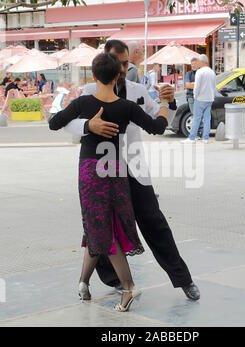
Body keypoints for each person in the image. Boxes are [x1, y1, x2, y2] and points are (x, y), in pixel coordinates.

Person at [63, 40, 200, 301]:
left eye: (127, 62)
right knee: (99, 224)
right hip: (102, 169)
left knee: (155, 223)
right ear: (107, 61)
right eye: (119, 62)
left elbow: (156, 121)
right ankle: (113, 279)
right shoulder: (89, 90)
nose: (124, 68)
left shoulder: (138, 89)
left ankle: (183, 279)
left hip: (135, 168)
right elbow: (65, 121)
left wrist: (168, 102)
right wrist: (88, 126)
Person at [49, 52, 170, 312]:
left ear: (93, 76)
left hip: (91, 174)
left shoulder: (82, 103)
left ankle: (128, 288)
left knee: (102, 228)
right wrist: (164, 106)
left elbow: (54, 123)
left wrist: (85, 125)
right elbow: (157, 127)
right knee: (100, 226)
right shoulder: (126, 107)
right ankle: (83, 282)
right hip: (115, 171)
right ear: (118, 76)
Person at [181, 54, 216, 144]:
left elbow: (197, 87)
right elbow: (214, 86)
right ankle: (206, 138)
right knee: (207, 118)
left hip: (200, 98)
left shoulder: (200, 72)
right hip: (209, 98)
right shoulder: (212, 72)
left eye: (199, 61)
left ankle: (192, 138)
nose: (198, 63)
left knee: (196, 118)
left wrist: (195, 96)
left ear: (202, 61)